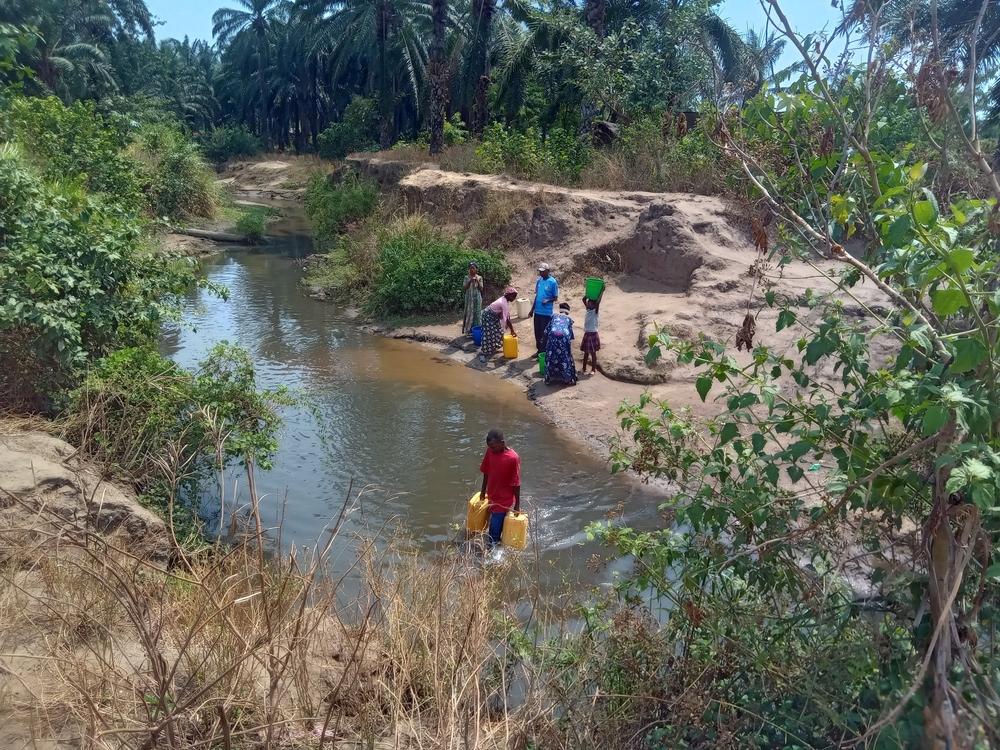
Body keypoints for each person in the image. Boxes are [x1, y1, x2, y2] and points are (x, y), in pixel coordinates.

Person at [479, 428, 521, 547]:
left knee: (493, 532)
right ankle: (499, 544)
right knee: (492, 524)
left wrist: (517, 504)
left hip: (504, 501)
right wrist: (483, 491)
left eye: (493, 447)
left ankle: (494, 556)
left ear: (502, 443)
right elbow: (486, 472)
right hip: (492, 496)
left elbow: (516, 483)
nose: (491, 449)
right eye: (490, 447)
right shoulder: (490, 452)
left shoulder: (513, 458)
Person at [479, 287, 518, 363]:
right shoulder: (503, 302)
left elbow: (505, 315)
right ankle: (483, 353)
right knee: (488, 334)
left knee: (498, 330)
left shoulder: (505, 300)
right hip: (487, 316)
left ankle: (494, 346)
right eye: (513, 297)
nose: (514, 299)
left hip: (493, 316)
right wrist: (512, 331)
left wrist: (505, 325)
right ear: (509, 295)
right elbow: (507, 319)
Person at [528, 262, 559, 357]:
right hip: (537, 311)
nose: (541, 273)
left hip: (546, 313)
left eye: (542, 271)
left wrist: (548, 300)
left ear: (548, 271)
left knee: (545, 333)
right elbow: (537, 296)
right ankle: (539, 351)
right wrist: (532, 310)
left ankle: (545, 352)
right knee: (537, 333)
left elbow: (555, 297)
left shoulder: (553, 282)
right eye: (540, 271)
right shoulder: (539, 281)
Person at [544, 302, 577, 385]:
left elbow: (546, 330)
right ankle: (568, 378)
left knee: (551, 355)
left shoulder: (554, 316)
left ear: (560, 310)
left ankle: (549, 378)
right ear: (567, 312)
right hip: (564, 335)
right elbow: (571, 336)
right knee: (565, 356)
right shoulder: (569, 319)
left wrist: (545, 342)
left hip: (553, 334)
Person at [581, 290, 603, 375]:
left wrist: (601, 291)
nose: (588, 304)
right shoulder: (588, 310)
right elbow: (583, 299)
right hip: (587, 333)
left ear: (594, 305)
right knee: (586, 353)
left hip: (593, 333)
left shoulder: (595, 311)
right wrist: (588, 293)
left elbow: (598, 302)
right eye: (588, 303)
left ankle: (593, 369)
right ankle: (584, 368)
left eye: (590, 303)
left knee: (593, 353)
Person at [462, 262, 483, 335]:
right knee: (469, 313)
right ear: (469, 269)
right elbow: (464, 288)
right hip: (469, 298)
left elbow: (481, 289)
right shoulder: (466, 277)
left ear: (476, 269)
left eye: (473, 268)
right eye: (470, 268)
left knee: (477, 314)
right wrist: (470, 281)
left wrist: (477, 280)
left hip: (477, 298)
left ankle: (477, 331)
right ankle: (469, 330)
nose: (472, 269)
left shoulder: (479, 278)